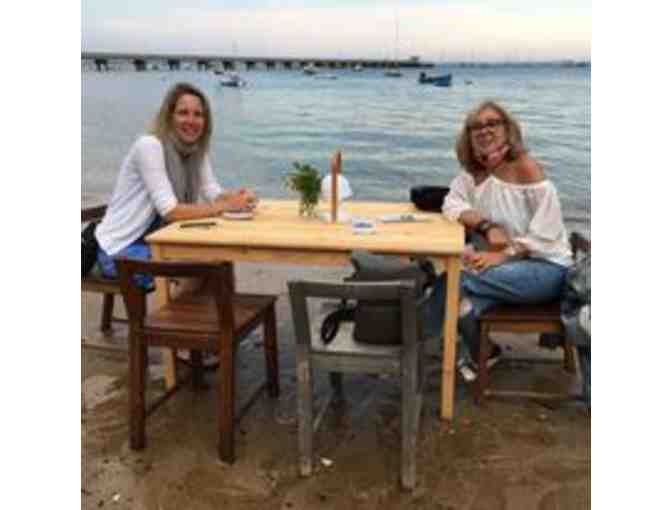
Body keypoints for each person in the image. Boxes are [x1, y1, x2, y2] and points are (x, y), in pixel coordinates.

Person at [426, 100, 573, 381]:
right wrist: (486, 225)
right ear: (469, 136)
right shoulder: (472, 175)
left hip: (547, 269)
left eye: (493, 123)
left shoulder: (526, 168)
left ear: (508, 129)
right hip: (508, 270)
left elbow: (547, 233)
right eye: (476, 126)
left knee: (455, 280)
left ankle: (416, 337)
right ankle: (486, 351)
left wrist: (503, 254)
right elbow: (451, 204)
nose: (485, 130)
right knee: (461, 303)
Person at [94, 82, 257, 285]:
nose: (191, 120)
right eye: (183, 113)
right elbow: (170, 210)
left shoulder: (195, 149)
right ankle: (198, 306)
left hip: (157, 241)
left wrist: (237, 197)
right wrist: (225, 206)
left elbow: (211, 190)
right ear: (168, 116)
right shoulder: (149, 146)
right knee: (207, 265)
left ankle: (210, 306)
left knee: (216, 259)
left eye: (198, 114)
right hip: (121, 250)